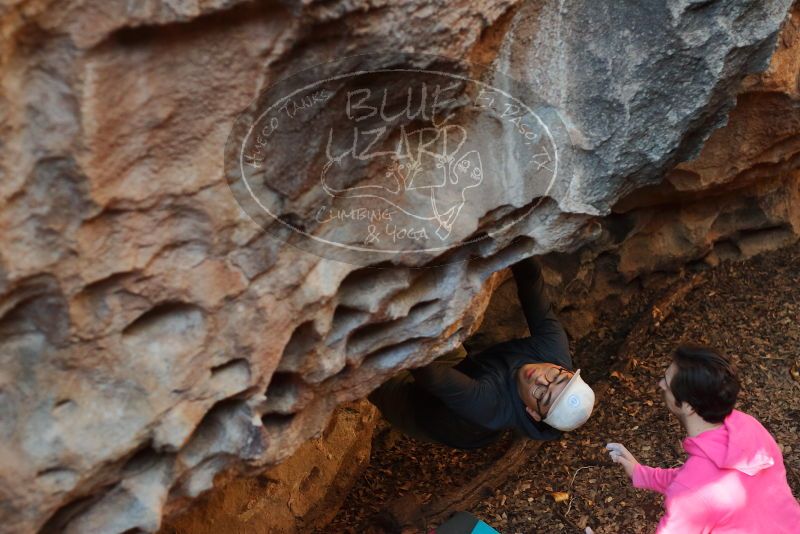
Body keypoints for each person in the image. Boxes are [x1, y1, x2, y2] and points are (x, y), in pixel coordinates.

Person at [368, 257, 595, 449]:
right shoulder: (552, 349)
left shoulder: (490, 406)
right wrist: (519, 243)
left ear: (533, 414)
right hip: (467, 372)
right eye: (556, 376)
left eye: (542, 395)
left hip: (421, 409)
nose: (541, 378)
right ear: (566, 369)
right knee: (438, 335)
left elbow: (427, 372)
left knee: (372, 363)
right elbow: (531, 282)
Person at [606, 345, 800, 533]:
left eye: (667, 381)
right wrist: (641, 473)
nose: (661, 385)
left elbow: (694, 487)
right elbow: (695, 482)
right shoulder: (749, 426)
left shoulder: (692, 490)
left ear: (688, 406)